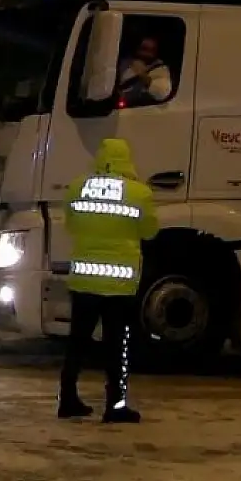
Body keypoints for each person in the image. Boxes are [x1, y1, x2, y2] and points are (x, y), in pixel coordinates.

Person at [58, 138, 158, 423]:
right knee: (117, 345)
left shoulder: (78, 186)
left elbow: (70, 223)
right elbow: (150, 232)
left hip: (84, 280)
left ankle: (67, 398)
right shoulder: (139, 193)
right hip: (119, 284)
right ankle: (115, 405)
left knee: (77, 341)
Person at [116, 37, 173, 106]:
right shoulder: (125, 62)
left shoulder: (161, 69)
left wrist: (142, 74)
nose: (147, 53)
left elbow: (162, 92)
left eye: (152, 50)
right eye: (144, 49)